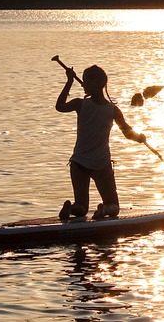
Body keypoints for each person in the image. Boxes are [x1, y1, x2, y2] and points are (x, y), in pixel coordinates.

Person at [56, 64, 146, 221]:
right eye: (82, 81)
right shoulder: (113, 110)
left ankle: (72, 208)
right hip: (101, 164)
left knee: (81, 208)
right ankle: (104, 209)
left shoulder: (80, 104)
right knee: (114, 207)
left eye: (86, 82)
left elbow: (60, 106)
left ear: (98, 84)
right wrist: (139, 138)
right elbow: (127, 133)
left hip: (79, 164)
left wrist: (69, 81)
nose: (83, 84)